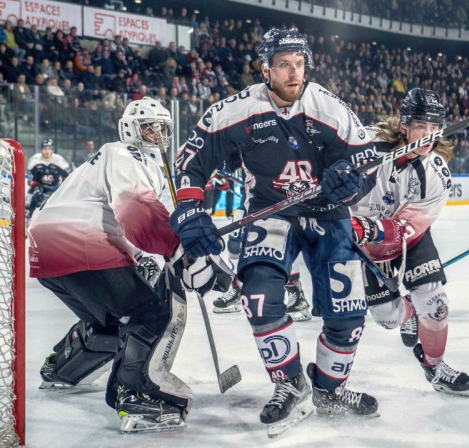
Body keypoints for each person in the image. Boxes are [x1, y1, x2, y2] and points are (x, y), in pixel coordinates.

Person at [168, 28, 379, 435]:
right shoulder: (236, 110)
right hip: (270, 211)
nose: (293, 72)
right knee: (259, 297)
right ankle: (289, 383)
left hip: (328, 213)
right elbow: (190, 161)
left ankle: (330, 389)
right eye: (283, 64)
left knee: (349, 312)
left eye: (299, 64)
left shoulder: (331, 109)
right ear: (265, 69)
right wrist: (191, 209)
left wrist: (349, 180)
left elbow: (365, 165)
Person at [28, 97, 225, 433]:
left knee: (110, 320)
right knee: (148, 314)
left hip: (44, 247)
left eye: (162, 127)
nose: (157, 134)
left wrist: (176, 248)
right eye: (149, 127)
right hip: (80, 242)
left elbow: (160, 218)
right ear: (130, 129)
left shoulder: (142, 163)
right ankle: (135, 395)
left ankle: (63, 370)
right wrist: (178, 249)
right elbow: (136, 210)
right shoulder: (124, 153)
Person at [349, 88, 469, 397]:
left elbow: (409, 227)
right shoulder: (364, 147)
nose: (428, 135)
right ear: (405, 125)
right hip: (362, 248)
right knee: (388, 317)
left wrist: (369, 228)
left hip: (409, 240)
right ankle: (410, 314)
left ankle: (435, 366)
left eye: (434, 128)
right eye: (421, 126)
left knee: (437, 305)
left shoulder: (435, 172)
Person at [25, 138, 70, 222]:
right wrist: (36, 189)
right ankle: (28, 217)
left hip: (54, 189)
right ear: (42, 149)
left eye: (49, 149)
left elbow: (67, 177)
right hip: (40, 188)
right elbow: (30, 180)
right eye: (45, 149)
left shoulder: (59, 161)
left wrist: (62, 189)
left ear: (52, 150)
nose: (47, 151)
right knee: (31, 196)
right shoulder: (34, 160)